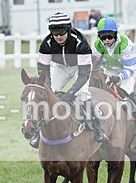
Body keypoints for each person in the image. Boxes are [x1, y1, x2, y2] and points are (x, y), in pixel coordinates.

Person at [35, 11, 106, 147]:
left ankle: (98, 127)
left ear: (69, 29)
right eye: (55, 34)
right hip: (60, 67)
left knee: (83, 94)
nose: (59, 36)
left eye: (62, 32)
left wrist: (70, 93)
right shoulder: (46, 43)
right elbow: (43, 70)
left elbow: (84, 75)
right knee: (48, 94)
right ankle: (38, 133)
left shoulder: (80, 41)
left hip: (80, 68)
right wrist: (49, 89)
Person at [93, 17, 136, 128]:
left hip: (129, 69)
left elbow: (129, 68)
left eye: (109, 37)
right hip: (110, 69)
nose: (106, 40)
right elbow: (97, 65)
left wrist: (118, 78)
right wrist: (104, 75)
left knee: (126, 89)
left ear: (115, 34)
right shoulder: (97, 46)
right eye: (102, 37)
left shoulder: (125, 43)